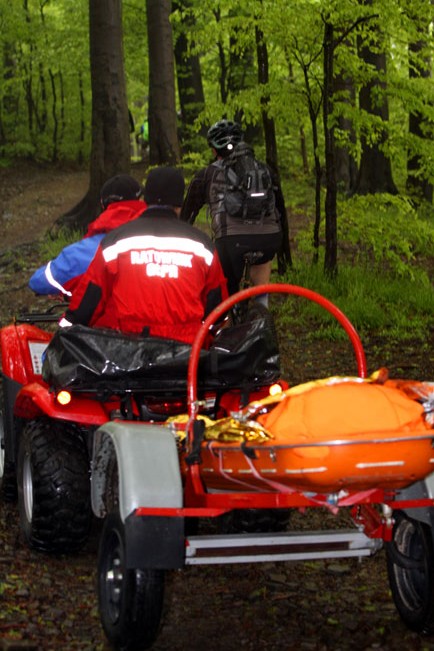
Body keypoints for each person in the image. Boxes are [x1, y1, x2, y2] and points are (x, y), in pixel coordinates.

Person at [60, 167, 228, 345]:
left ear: (145, 199)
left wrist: (66, 329)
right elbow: (217, 310)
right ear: (180, 204)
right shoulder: (202, 246)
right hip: (186, 352)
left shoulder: (114, 242)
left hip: (128, 350)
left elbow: (89, 300)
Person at [180, 119, 290, 305]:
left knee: (226, 293)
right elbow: (280, 211)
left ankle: (229, 325)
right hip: (270, 238)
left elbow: (187, 216)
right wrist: (284, 252)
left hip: (231, 241)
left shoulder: (206, 175)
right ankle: (262, 309)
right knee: (261, 273)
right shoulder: (264, 170)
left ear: (214, 150)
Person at [29, 175, 146, 299]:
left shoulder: (82, 252)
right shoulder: (164, 242)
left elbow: (39, 282)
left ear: (102, 204)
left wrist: (69, 293)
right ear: (141, 200)